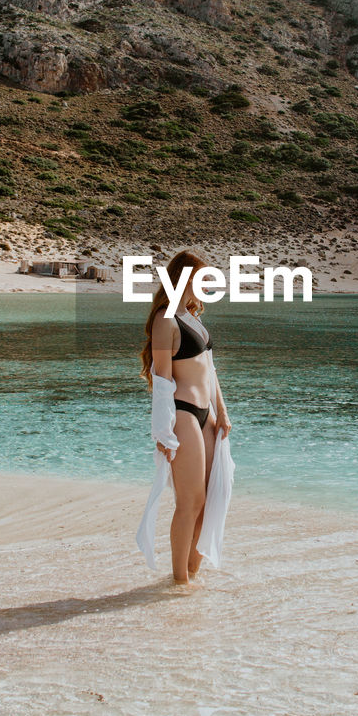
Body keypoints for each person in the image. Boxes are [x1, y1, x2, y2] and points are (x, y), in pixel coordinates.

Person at [138, 249, 233, 586]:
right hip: (183, 413)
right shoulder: (166, 320)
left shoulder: (193, 316)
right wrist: (163, 433)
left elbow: (210, 369)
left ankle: (193, 574)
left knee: (208, 502)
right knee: (190, 501)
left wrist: (222, 412)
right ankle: (179, 581)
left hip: (207, 415)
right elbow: (162, 380)